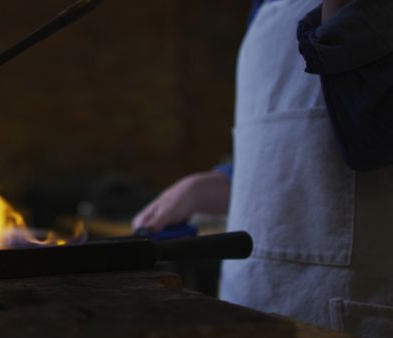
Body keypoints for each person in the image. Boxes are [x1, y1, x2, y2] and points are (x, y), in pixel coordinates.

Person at [133, 1, 393, 337]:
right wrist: (224, 180)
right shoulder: (265, 9)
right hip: (247, 300)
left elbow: (371, 132)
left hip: (350, 309)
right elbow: (302, 136)